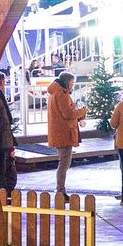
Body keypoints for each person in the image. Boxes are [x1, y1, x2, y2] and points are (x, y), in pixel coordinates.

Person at [46, 71, 87, 200]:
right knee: (64, 163)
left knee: (63, 162)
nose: (73, 85)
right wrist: (82, 111)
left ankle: (61, 190)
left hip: (60, 132)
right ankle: (61, 191)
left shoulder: (55, 93)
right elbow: (68, 114)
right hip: (64, 133)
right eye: (72, 83)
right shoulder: (62, 95)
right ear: (66, 82)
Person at [0, 71, 18, 193]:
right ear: (1, 83)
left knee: (2, 168)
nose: (5, 85)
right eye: (4, 82)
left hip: (2, 139)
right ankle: (1, 193)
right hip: (0, 141)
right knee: (0, 169)